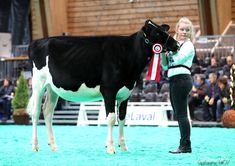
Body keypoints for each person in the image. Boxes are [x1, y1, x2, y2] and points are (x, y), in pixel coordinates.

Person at [161, 17, 195, 154]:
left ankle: (186, 145)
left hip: (182, 79)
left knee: (181, 114)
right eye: (182, 29)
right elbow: (165, 65)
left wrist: (169, 50)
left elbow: (178, 59)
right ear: (177, 29)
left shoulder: (188, 45)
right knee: (179, 114)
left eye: (187, 30)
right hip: (174, 79)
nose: (184, 32)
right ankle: (184, 144)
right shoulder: (173, 44)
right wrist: (163, 52)